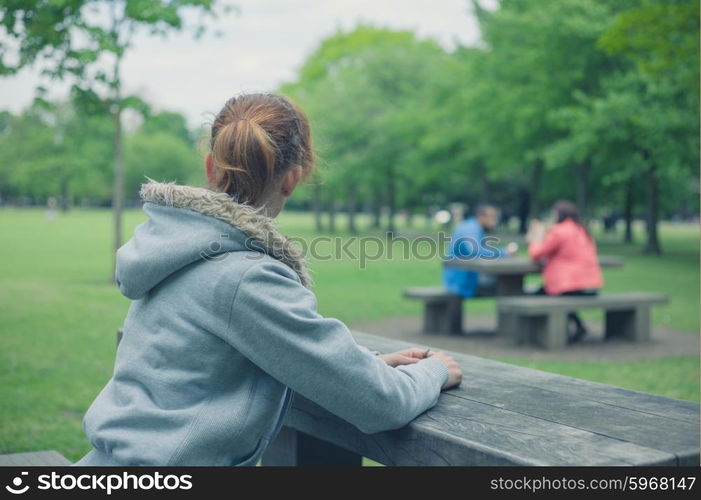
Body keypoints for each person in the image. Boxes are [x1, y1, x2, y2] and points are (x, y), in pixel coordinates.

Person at [73, 93, 461, 467]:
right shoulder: (246, 277)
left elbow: (225, 358)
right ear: (292, 178)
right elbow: (382, 404)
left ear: (211, 166)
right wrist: (434, 370)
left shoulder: (171, 247)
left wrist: (364, 364)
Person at [527, 200, 603, 344]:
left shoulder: (559, 231)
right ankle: (578, 326)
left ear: (558, 215)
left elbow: (536, 253)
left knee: (538, 295)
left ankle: (544, 334)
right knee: (547, 293)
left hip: (569, 286)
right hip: (591, 286)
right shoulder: (582, 230)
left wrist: (536, 237)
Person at [442, 203, 516, 298]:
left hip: (461, 281)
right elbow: (474, 251)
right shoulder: (470, 229)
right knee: (508, 286)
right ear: (480, 217)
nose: (496, 221)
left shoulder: (472, 226)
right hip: (461, 284)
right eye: (493, 217)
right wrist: (504, 253)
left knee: (508, 284)